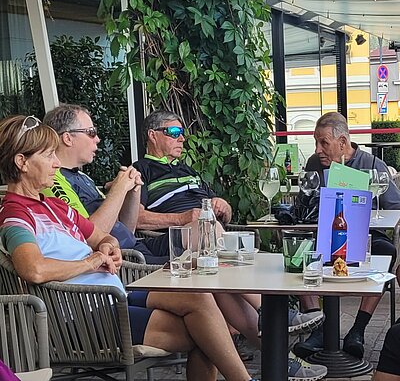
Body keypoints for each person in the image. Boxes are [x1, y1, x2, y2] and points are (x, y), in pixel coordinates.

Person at [0, 113, 267, 381]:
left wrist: (109, 247)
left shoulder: (53, 206)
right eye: (48, 156)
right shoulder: (16, 215)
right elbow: (33, 269)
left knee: (198, 297)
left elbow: (103, 237)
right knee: (208, 334)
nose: (57, 163)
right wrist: (92, 261)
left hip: (112, 292)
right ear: (22, 162)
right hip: (84, 313)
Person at [294, 111, 400, 362]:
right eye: (316, 142)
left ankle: (358, 329)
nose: (318, 149)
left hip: (365, 235)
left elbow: (394, 205)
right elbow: (303, 203)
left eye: (324, 143)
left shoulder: (372, 165)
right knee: (296, 254)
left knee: (385, 252)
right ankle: (318, 327)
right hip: (323, 234)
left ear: (342, 142)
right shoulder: (313, 164)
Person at [42, 104, 171, 263]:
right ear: (68, 138)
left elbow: (126, 228)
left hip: (136, 246)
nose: (97, 139)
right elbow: (88, 236)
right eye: (91, 132)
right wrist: (119, 188)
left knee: (203, 236)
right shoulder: (53, 181)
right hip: (123, 261)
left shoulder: (82, 177)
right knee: (195, 269)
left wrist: (133, 191)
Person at [133, 110, 232, 230]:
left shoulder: (189, 171)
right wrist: (181, 219)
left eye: (182, 133)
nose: (182, 139)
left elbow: (227, 216)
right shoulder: (140, 170)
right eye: (174, 132)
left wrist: (224, 206)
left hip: (213, 231)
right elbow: (135, 218)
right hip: (178, 238)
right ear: (153, 136)